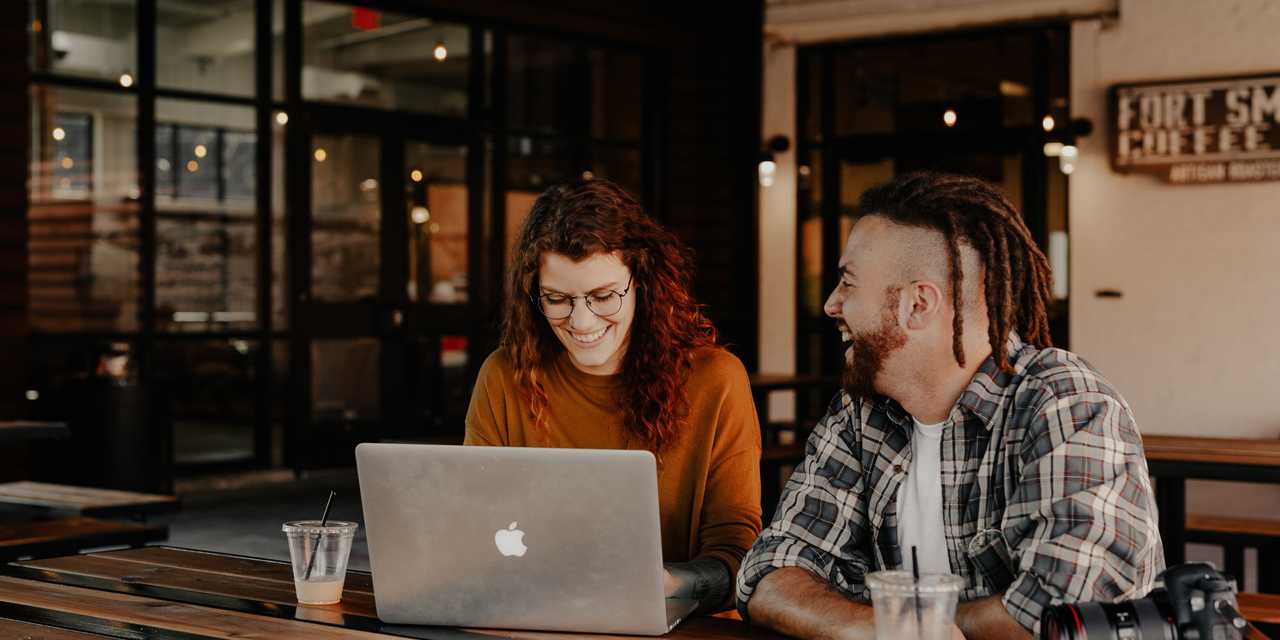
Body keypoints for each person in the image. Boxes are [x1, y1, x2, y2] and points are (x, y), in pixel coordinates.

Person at [736, 172, 1164, 639]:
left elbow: (1063, 614)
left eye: (848, 283)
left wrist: (906, 624)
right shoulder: (861, 414)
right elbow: (769, 570)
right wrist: (870, 627)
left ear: (918, 305)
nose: (831, 304)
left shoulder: (1066, 405)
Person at [465, 178, 762, 612]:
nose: (582, 322)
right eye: (557, 299)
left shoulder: (715, 380)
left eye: (603, 296)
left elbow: (740, 554)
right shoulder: (504, 376)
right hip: (532, 616)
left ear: (642, 283)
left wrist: (663, 583)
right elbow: (472, 528)